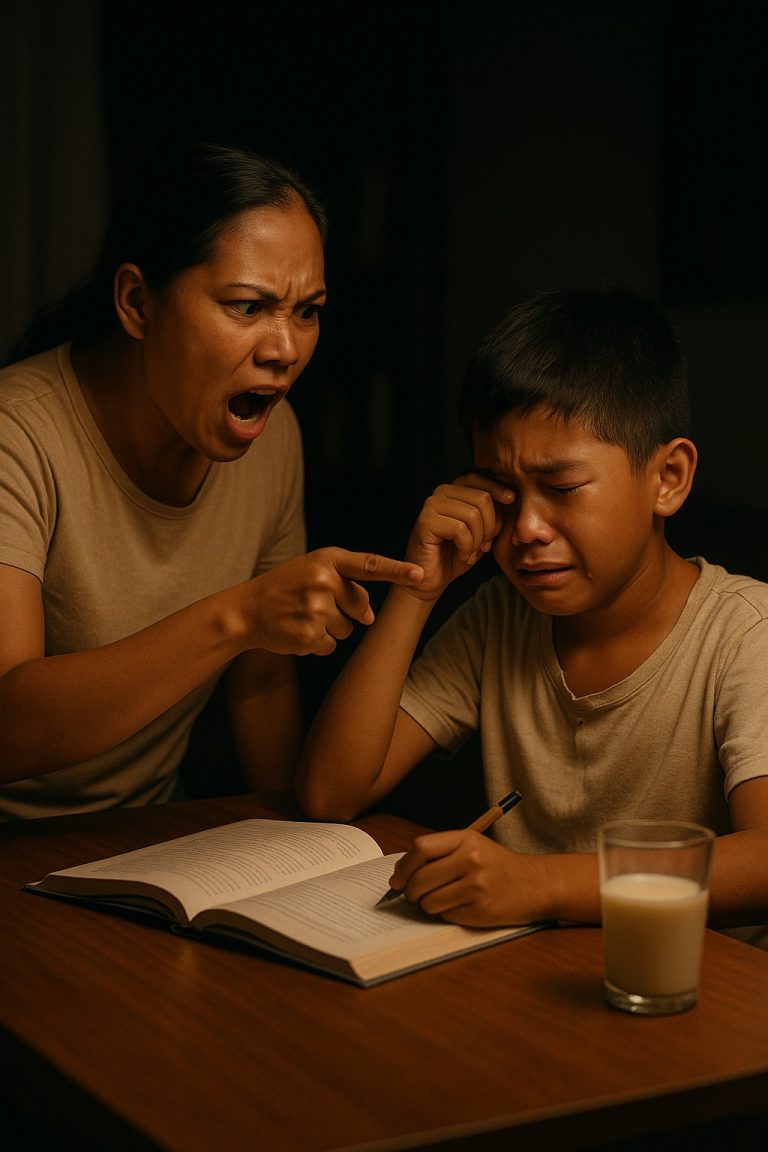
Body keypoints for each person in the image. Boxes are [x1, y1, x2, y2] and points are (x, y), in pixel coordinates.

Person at [296, 286, 768, 939]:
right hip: (531, 981)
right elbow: (330, 792)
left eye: (562, 488)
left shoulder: (746, 633)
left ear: (669, 478)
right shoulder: (500, 618)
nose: (527, 529)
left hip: (697, 995)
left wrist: (540, 883)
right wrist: (419, 587)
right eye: (502, 493)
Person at [0, 141, 423, 820]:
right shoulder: (15, 434)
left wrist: (297, 843)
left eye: (307, 311)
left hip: (140, 829)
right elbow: (7, 727)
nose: (284, 349)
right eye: (248, 307)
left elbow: (262, 675)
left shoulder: (271, 436)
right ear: (138, 302)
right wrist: (240, 616)